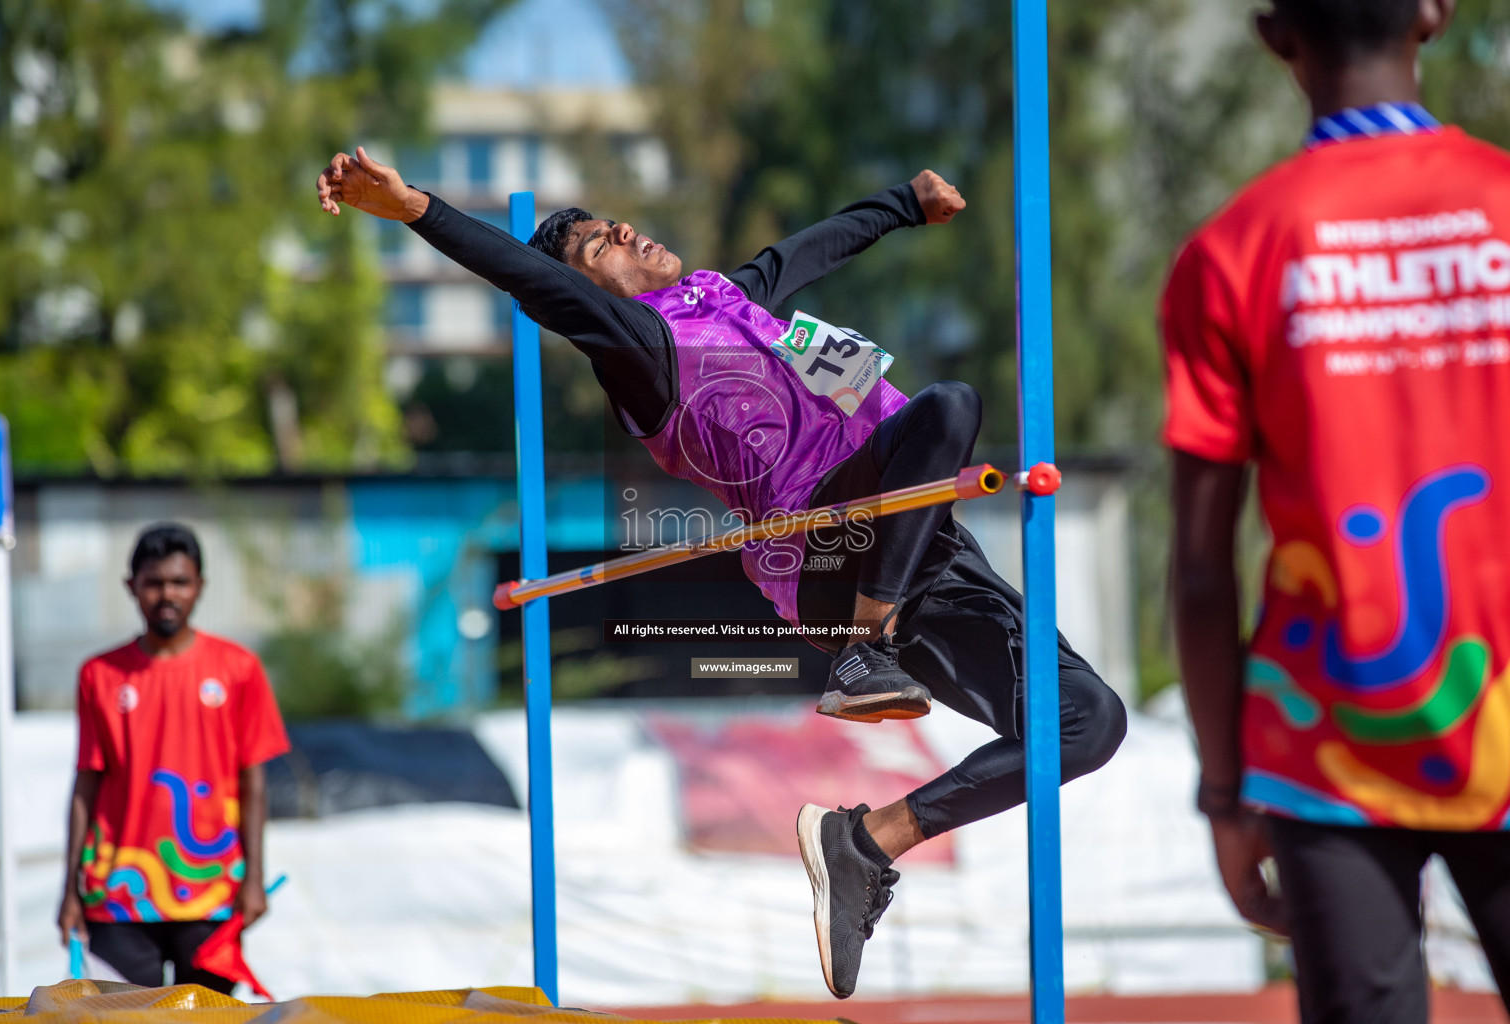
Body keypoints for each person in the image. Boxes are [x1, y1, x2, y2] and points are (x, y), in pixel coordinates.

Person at [317, 151, 1126, 998]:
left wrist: (903, 204)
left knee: (1089, 723)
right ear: (592, 293)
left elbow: (799, 256)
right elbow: (528, 276)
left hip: (922, 544)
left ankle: (870, 841)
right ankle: (863, 649)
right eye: (599, 248)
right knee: (951, 405)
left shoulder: (721, 298)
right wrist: (415, 209)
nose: (623, 230)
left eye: (611, 223)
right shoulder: (643, 348)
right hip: (827, 556)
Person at [1162, 1, 1510, 1020]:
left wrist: (1225, 796)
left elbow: (1198, 566)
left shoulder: (1233, 251)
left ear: (1275, 34)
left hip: (1325, 739)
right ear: (1435, 14)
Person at [56, 524, 290, 992]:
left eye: (180, 582)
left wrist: (255, 879)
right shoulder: (99, 675)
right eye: (154, 582)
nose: (167, 594)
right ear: (132, 587)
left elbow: (254, 781)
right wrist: (70, 889)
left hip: (211, 891)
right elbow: (87, 782)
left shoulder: (238, 669)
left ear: (200, 586)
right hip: (118, 894)